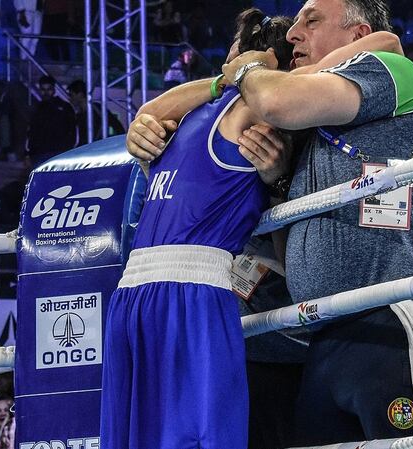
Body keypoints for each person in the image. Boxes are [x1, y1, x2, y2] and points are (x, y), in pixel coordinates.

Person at [129, 0, 413, 444]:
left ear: (358, 35)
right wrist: (276, 182)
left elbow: (274, 98)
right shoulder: (314, 126)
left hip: (402, 312)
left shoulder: (388, 67)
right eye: (294, 25)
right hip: (327, 328)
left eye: (311, 22)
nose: (294, 35)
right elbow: (288, 256)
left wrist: (247, 70)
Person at [101, 10, 295, 449]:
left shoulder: (187, 116)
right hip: (192, 295)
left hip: (130, 296)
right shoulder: (244, 111)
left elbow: (151, 108)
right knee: (207, 438)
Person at [25, 76, 76, 165]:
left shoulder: (65, 107)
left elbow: (72, 129)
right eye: (43, 89)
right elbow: (31, 132)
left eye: (49, 89)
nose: (46, 93)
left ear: (54, 89)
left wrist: (68, 149)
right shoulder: (37, 108)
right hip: (40, 153)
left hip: (59, 153)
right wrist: (28, 153)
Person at [66, 80, 124, 146]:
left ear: (80, 94)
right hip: (86, 150)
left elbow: (117, 125)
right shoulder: (78, 114)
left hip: (99, 148)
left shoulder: (97, 109)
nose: (70, 98)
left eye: (71, 95)